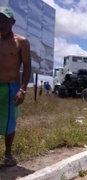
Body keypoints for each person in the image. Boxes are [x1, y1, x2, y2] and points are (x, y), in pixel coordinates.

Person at [0, 7, 31, 166]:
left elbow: (27, 67)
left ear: (13, 22)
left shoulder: (21, 41)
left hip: (11, 87)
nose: (1, 23)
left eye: (5, 20)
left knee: (9, 122)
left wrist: (22, 90)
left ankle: (8, 154)